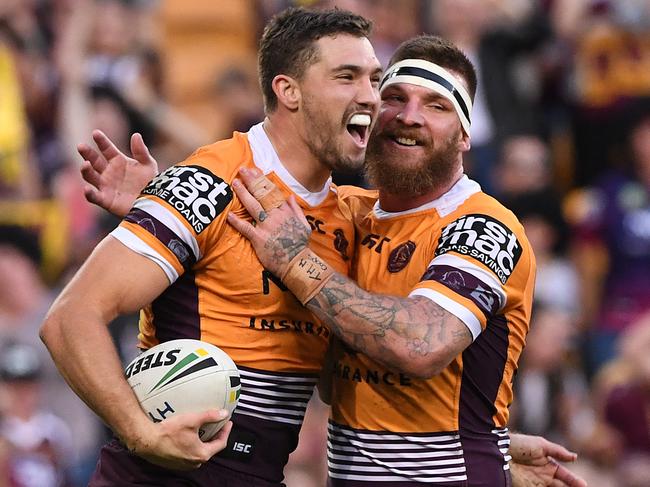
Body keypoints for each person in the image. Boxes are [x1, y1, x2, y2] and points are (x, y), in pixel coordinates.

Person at [40, 7, 382, 487]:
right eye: (346, 77)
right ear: (288, 91)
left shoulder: (352, 216)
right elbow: (69, 318)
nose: (370, 95)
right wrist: (142, 434)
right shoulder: (206, 183)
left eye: (374, 78)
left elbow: (349, 377)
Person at [226, 35, 580, 486]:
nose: (409, 117)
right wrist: (151, 200)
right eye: (394, 97)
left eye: (437, 106)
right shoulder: (348, 211)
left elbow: (421, 345)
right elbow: (236, 212)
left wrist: (298, 264)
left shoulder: (484, 225)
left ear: (466, 134)